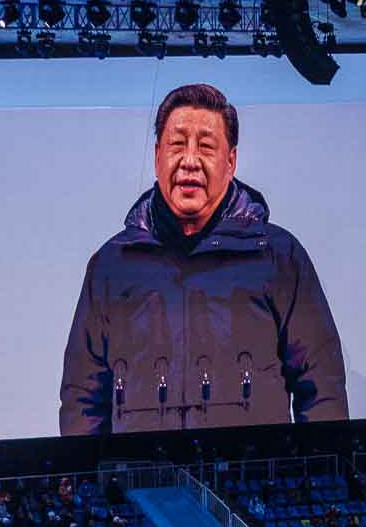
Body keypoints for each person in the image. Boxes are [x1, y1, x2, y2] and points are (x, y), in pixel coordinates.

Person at [60, 83, 347, 434]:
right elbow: (82, 398)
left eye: (206, 147)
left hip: (248, 483)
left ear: (231, 161)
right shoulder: (111, 265)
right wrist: (99, 484)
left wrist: (314, 477)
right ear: (156, 157)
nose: (190, 161)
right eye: (177, 145)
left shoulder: (278, 256)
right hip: (144, 485)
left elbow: (321, 388)